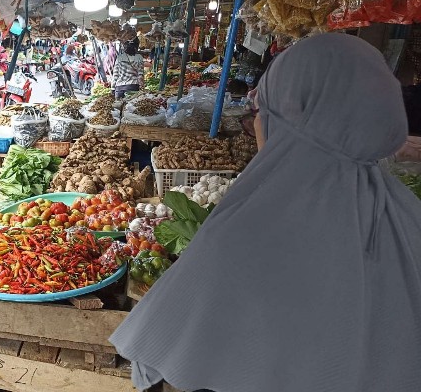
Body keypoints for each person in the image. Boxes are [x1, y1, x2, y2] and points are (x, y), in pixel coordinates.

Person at [110, 34, 421, 392]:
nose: (255, 125)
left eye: (260, 113)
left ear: (289, 124)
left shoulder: (247, 233)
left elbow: (157, 350)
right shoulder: (409, 217)